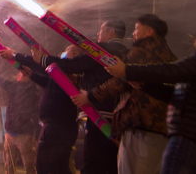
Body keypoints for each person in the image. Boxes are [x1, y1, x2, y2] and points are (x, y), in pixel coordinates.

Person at [106, 22, 196, 174]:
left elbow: (174, 70)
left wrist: (127, 70)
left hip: (189, 139)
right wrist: (145, 86)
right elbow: (176, 95)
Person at [73, 14, 177, 174]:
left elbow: (119, 82)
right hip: (161, 128)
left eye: (137, 29)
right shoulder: (170, 57)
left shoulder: (141, 52)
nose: (133, 33)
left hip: (139, 125)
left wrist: (90, 96)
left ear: (149, 31)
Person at [33, 18, 129, 174]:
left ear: (111, 32)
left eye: (102, 29)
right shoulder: (125, 52)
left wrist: (43, 59)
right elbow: (101, 76)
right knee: (108, 164)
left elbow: (74, 64)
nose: (98, 33)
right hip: (116, 116)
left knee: (93, 164)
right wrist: (79, 80)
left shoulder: (103, 50)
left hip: (99, 115)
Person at [0, 45, 80, 174]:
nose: (63, 53)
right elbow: (48, 82)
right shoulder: (60, 76)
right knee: (43, 165)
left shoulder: (72, 72)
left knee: (56, 166)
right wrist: (32, 75)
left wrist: (15, 55)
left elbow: (41, 65)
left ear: (76, 56)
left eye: (68, 51)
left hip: (60, 128)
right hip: (51, 127)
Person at [0, 65, 40, 174]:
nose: (18, 75)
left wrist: (36, 136)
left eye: (21, 74)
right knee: (11, 166)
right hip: (10, 135)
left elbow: (36, 115)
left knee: (28, 167)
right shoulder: (15, 87)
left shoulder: (31, 92)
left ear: (27, 76)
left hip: (25, 136)